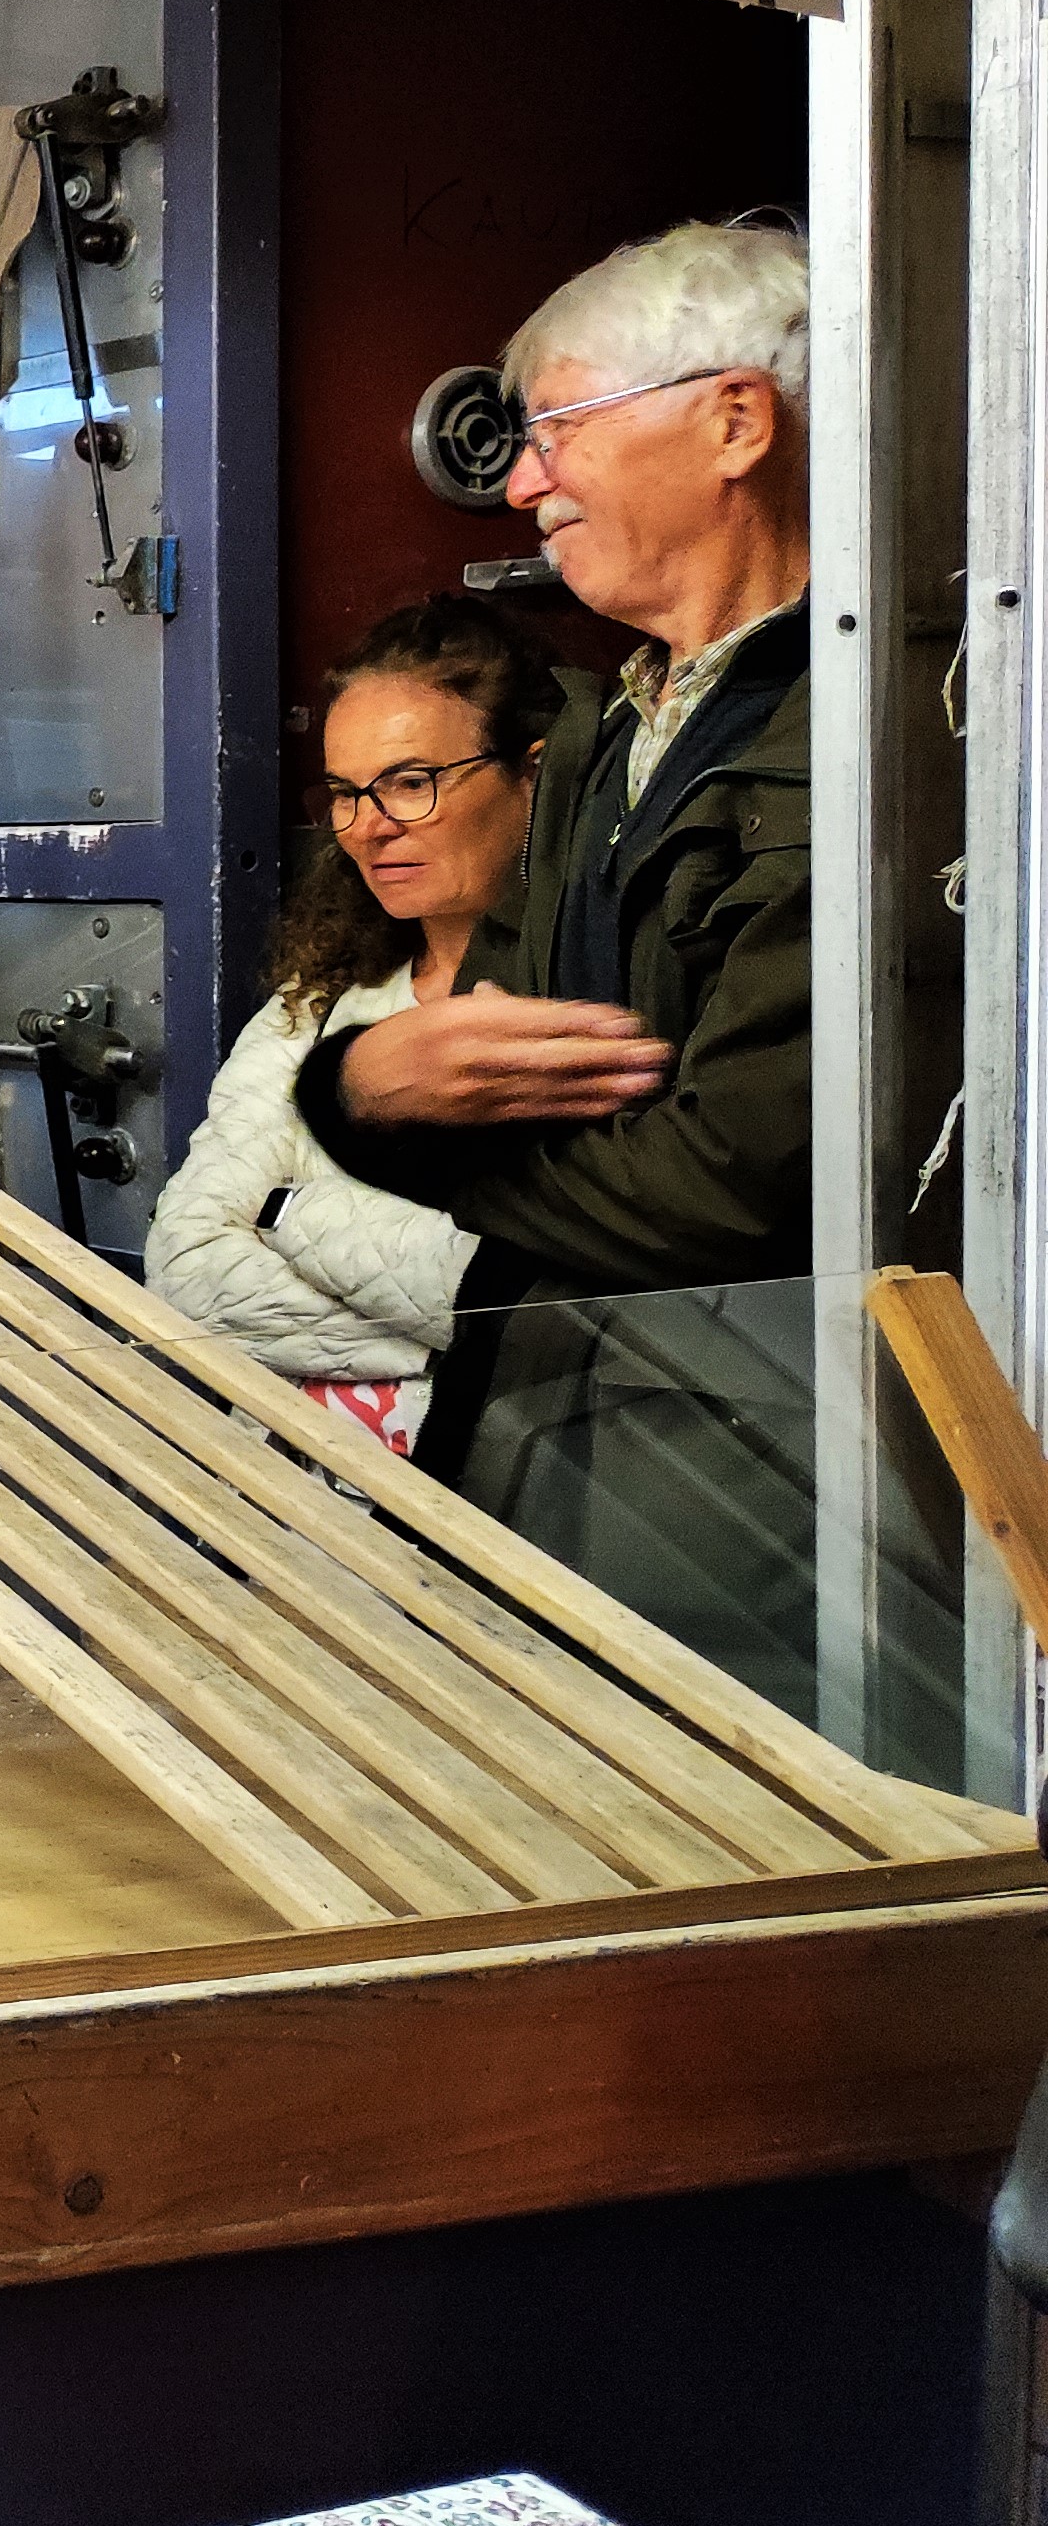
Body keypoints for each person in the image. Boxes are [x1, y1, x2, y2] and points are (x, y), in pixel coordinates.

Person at [294, 220, 815, 1690]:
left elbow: (728, 1189)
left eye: (556, 431)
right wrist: (365, 1086)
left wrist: (379, 1116)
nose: (522, 482)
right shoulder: (610, 734)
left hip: (760, 1516)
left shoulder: (865, 733)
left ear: (734, 421)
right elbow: (493, 1054)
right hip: (545, 1463)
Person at [144, 598, 558, 1456]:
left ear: (534, 772)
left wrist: (291, 1215)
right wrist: (477, 1346)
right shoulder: (323, 1002)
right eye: (344, 794)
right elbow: (185, 1265)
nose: (367, 828)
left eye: (412, 783)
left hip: (499, 1517)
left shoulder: (576, 1004)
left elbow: (575, 1300)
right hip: (286, 1518)